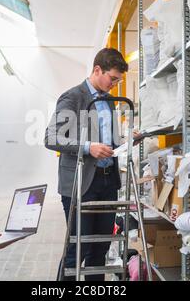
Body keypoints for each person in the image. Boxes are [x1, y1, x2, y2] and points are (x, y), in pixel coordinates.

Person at [45, 48, 133, 281]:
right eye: (112, 78)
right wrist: (87, 147)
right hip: (80, 182)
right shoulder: (73, 97)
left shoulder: (110, 101)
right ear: (97, 70)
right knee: (78, 249)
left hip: (107, 182)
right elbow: (52, 138)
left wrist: (128, 140)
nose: (115, 84)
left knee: (100, 249)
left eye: (118, 80)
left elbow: (109, 140)